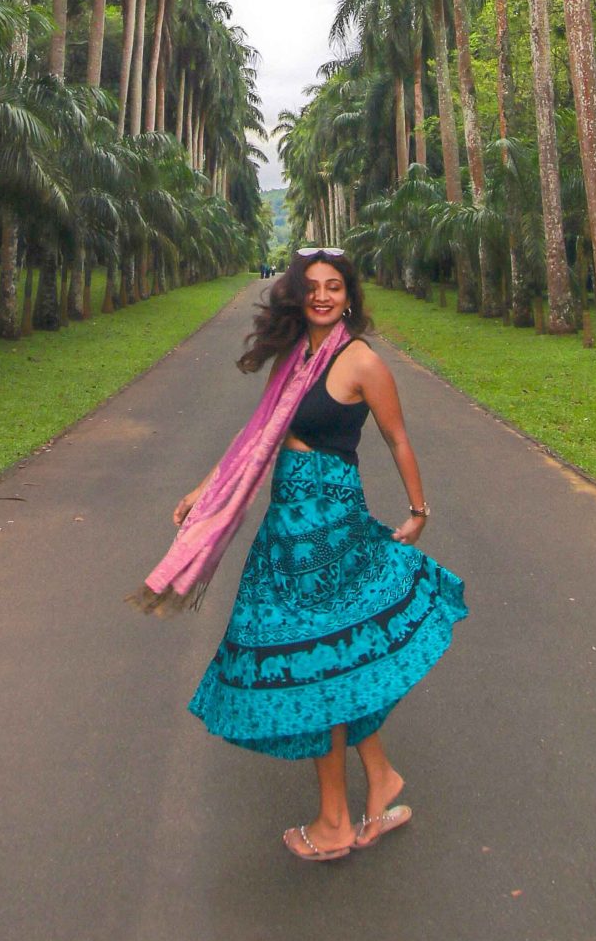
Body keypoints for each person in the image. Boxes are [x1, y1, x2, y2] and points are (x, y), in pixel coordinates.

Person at [129, 246, 466, 862]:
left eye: (334, 287)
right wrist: (205, 489)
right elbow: (259, 433)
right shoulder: (295, 358)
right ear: (297, 293)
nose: (322, 295)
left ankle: (335, 822)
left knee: (316, 663)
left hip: (328, 529)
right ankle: (381, 779)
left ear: (349, 297)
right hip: (288, 525)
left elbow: (397, 437)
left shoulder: (361, 360)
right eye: (311, 286)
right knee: (331, 654)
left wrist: (418, 512)